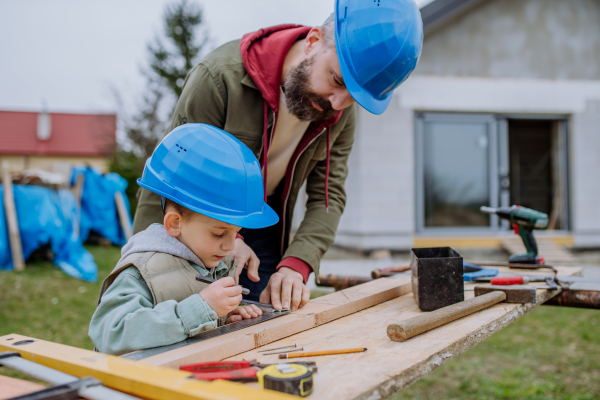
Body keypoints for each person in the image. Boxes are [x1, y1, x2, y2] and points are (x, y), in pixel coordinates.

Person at [132, 0, 423, 311]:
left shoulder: (339, 115)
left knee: (257, 327)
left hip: (264, 219)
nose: (336, 105)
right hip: (190, 220)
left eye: (353, 98)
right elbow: (179, 177)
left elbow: (328, 196)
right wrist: (232, 240)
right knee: (169, 325)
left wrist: (296, 264)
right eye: (337, 80)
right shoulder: (219, 78)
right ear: (313, 41)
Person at [89, 124, 279, 355]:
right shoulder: (141, 271)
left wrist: (223, 319)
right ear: (175, 224)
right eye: (219, 233)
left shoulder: (212, 262)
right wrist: (201, 309)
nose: (230, 245)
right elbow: (110, 333)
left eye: (236, 232)